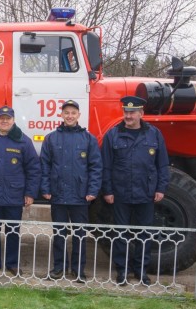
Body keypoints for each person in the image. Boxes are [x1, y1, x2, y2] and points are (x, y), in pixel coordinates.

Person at [101, 95, 169, 285]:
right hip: (120, 193)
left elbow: (162, 165)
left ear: (141, 113)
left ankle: (141, 271)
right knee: (120, 234)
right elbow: (105, 166)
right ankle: (122, 271)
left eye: (132, 112)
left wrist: (161, 188)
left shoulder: (154, 134)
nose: (128, 115)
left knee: (144, 234)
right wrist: (107, 190)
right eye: (126, 111)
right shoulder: (112, 135)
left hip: (146, 193)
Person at [40, 100, 102, 282]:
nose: (69, 116)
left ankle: (78, 270)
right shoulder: (51, 138)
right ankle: (59, 268)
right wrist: (45, 189)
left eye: (73, 113)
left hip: (80, 195)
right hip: (57, 194)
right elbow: (45, 166)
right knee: (59, 234)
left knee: (80, 235)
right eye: (66, 112)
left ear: (78, 115)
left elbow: (95, 167)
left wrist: (93, 190)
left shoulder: (88, 139)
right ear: (61, 115)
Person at [0, 106, 40, 276]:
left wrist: (30, 193)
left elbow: (33, 169)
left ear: (13, 120)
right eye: (1, 118)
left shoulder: (23, 141)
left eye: (8, 118)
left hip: (14, 194)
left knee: (13, 231)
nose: (4, 121)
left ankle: (13, 263)